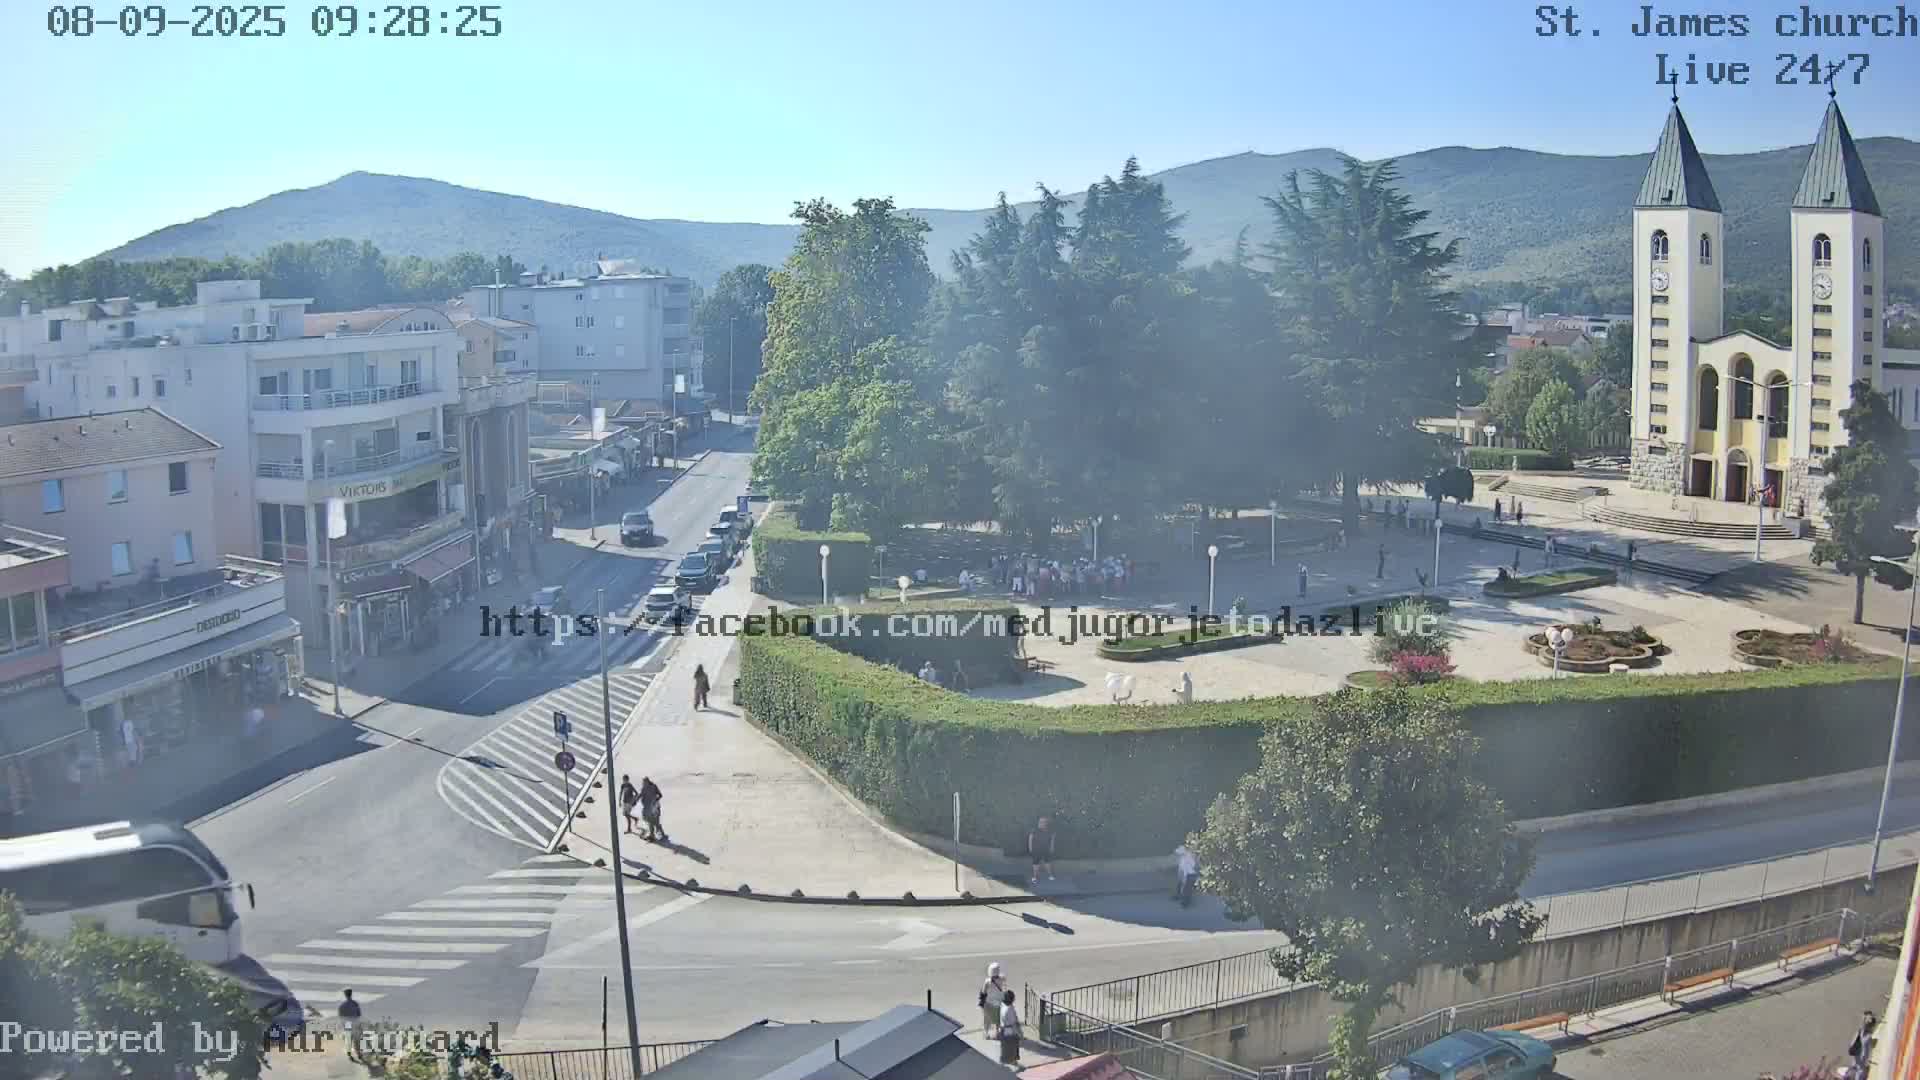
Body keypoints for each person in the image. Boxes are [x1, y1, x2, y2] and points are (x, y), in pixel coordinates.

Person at [978, 962, 1009, 1040]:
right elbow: (1005, 988)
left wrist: (981, 1002)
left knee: (987, 1019)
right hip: (998, 1003)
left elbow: (983, 992)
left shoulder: (987, 981)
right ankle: (997, 1033)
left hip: (989, 1003)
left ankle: (986, 1033)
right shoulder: (1002, 978)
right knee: (998, 1019)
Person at [997, 988, 1022, 1066]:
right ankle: (1013, 1062)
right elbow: (1013, 1023)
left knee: (1005, 1047)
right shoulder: (1010, 1009)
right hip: (1010, 1031)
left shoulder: (1003, 1006)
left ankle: (1006, 1061)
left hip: (1003, 1030)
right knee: (1012, 1047)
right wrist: (1019, 1033)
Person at [1029, 816, 1056, 884]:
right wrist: (1030, 848)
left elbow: (1052, 839)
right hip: (1036, 850)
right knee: (1035, 864)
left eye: (1044, 822)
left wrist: (1051, 848)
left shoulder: (1049, 830)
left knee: (1047, 863)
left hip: (1045, 850)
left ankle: (1050, 875)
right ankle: (1034, 877)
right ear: (1038, 822)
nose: (1042, 823)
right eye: (1041, 821)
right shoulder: (1034, 830)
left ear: (1046, 823)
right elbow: (1030, 839)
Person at [639, 776, 666, 843]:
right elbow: (640, 795)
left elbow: (660, 795)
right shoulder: (643, 788)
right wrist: (634, 801)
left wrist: (655, 800)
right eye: (643, 782)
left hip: (654, 807)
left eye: (645, 782)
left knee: (653, 821)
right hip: (647, 807)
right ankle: (659, 834)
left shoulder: (653, 786)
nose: (644, 783)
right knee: (650, 820)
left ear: (648, 781)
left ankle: (653, 835)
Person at [337, 989, 363, 1060]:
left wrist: (343, 1025)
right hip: (355, 1022)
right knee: (356, 1039)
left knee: (348, 1039)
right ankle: (358, 1053)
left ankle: (349, 1054)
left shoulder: (342, 1005)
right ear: (351, 994)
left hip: (347, 1023)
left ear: (345, 995)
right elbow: (359, 1014)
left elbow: (340, 1016)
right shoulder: (355, 1004)